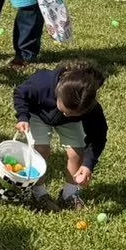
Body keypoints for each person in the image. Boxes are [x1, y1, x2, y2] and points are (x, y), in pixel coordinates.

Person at [12, 60, 108, 203]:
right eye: (64, 110)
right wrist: (22, 117)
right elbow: (20, 93)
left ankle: (70, 194)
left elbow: (98, 137)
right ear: (58, 92)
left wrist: (88, 165)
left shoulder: (90, 108)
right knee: (40, 150)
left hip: (69, 124)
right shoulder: (43, 83)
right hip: (38, 113)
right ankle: (39, 193)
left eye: (73, 113)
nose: (66, 114)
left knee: (77, 153)